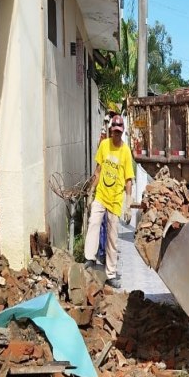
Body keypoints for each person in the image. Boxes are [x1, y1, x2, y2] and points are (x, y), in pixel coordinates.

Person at [84, 114, 134, 288]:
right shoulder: (104, 145)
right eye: (114, 131)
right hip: (101, 195)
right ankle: (89, 258)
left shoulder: (126, 151)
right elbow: (98, 171)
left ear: (123, 132)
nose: (117, 135)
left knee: (112, 238)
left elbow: (129, 179)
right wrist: (91, 191)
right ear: (111, 130)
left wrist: (128, 204)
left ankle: (111, 274)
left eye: (119, 132)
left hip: (115, 200)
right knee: (93, 223)